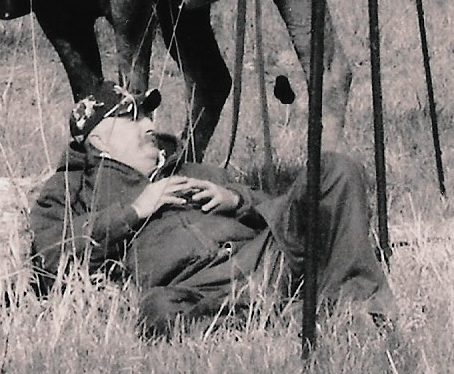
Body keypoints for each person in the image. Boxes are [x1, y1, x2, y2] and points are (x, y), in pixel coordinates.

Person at [30, 81, 394, 336]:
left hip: (267, 259)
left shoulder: (195, 170)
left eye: (148, 115)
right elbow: (50, 252)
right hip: (200, 289)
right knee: (158, 312)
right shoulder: (73, 188)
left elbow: (280, 209)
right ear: (99, 139)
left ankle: (360, 308)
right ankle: (294, 315)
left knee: (334, 168)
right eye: (133, 116)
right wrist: (137, 210)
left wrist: (236, 200)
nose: (150, 124)